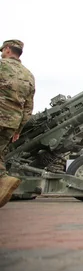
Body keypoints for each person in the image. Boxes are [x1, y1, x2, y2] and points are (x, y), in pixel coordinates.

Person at [0, 39, 36, 209]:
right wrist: (18, 129)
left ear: (7, 50)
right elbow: (28, 106)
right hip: (12, 122)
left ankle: (3, 179)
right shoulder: (28, 75)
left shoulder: (2, 66)